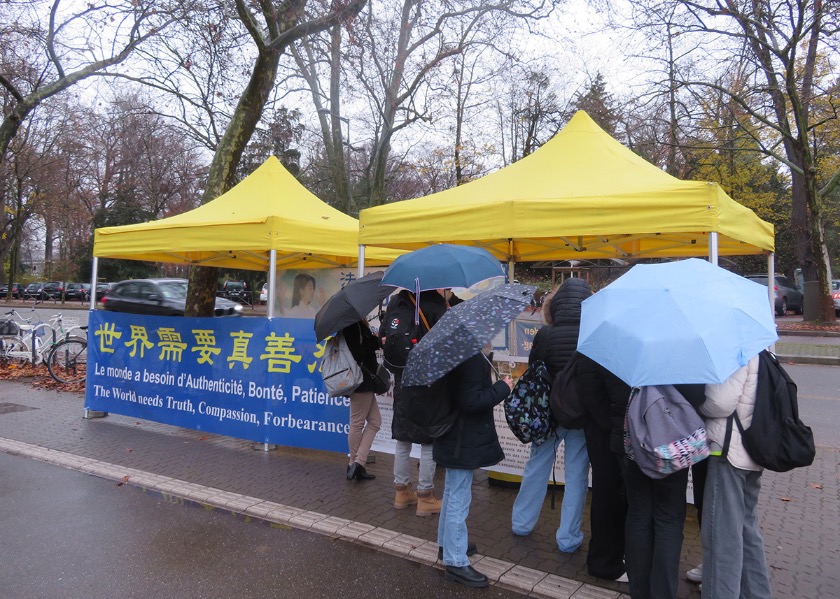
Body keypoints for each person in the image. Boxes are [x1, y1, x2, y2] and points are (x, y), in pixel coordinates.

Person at [510, 278, 591, 555]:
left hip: (547, 416)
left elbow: (534, 374)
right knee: (577, 475)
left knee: (536, 467)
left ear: (554, 306)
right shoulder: (593, 334)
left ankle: (522, 523)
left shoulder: (545, 334)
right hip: (581, 416)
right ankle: (568, 538)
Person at [436, 347, 513, 588]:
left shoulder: (454, 349)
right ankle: (456, 561)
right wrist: (503, 388)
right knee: (459, 496)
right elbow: (470, 401)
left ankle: (447, 544)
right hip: (462, 438)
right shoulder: (468, 354)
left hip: (452, 435)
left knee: (452, 491)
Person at [699, 354, 772, 598]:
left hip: (727, 452)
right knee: (746, 530)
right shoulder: (760, 347)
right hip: (752, 451)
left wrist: (699, 406)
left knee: (721, 538)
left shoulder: (733, 351)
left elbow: (721, 402)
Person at [387, 289, 450, 516]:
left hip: (402, 382)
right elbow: (447, 344)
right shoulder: (436, 305)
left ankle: (401, 492)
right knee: (428, 440)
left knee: (403, 439)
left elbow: (383, 340)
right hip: (427, 383)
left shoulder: (397, 304)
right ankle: (425, 497)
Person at [572, 352, 631, 582]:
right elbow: (591, 392)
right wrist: (613, 425)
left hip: (611, 431)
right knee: (608, 496)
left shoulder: (604, 343)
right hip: (605, 433)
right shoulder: (596, 348)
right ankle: (604, 562)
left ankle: (614, 555)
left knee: (615, 495)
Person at [342, 319, 382, 481]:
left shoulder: (357, 324)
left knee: (375, 422)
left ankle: (358, 463)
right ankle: (354, 464)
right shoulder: (351, 325)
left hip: (365, 381)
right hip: (360, 381)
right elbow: (356, 353)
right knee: (357, 423)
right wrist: (375, 341)